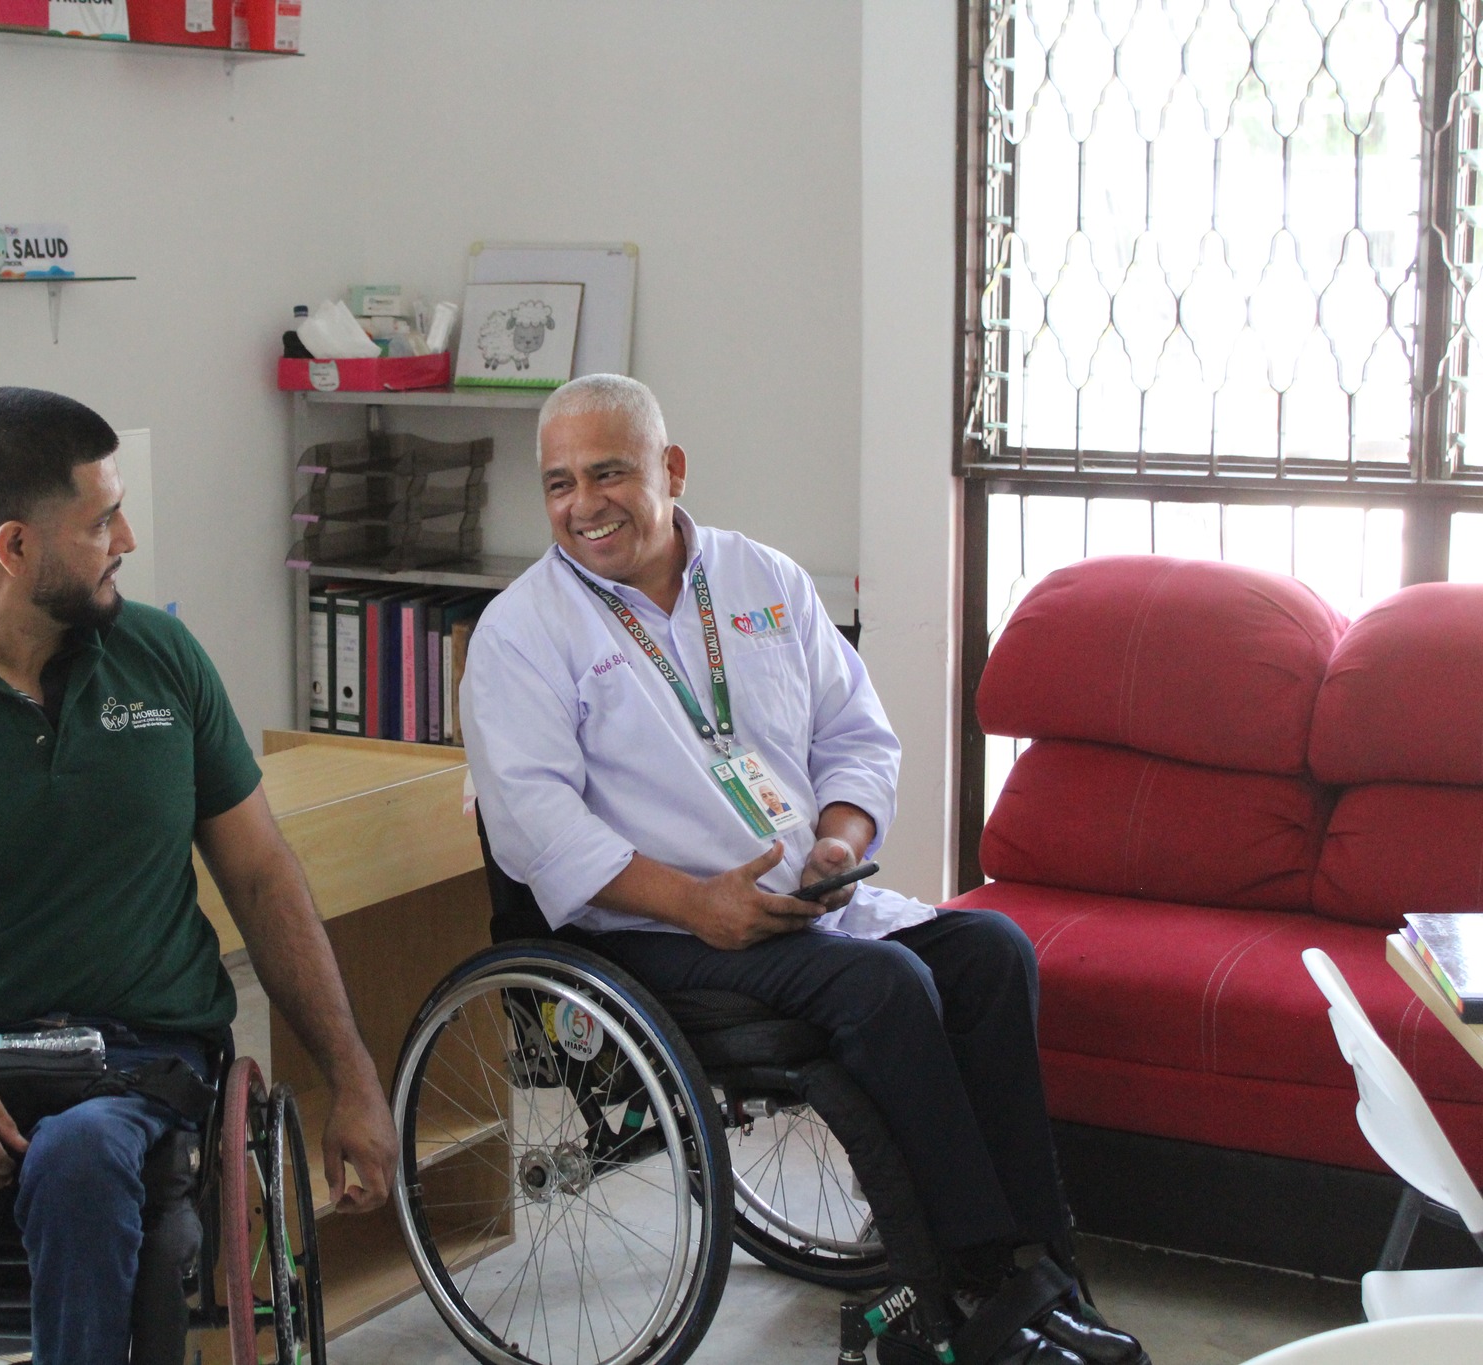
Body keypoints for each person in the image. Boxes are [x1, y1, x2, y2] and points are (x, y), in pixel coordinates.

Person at [459, 375, 1147, 1365]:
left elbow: (854, 734)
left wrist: (839, 839)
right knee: (883, 987)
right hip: (649, 930)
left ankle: (1048, 1274)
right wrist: (696, 904)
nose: (583, 505)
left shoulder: (760, 579)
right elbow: (536, 829)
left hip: (801, 903)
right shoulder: (523, 631)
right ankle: (972, 1295)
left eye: (608, 473)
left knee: (992, 951)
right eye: (558, 483)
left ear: (671, 469)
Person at [0, 387, 400, 1365]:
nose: (127, 538)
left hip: (137, 1059)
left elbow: (264, 878)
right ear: (14, 546)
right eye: (101, 522)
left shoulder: (161, 661)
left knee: (83, 1161)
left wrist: (351, 1076)